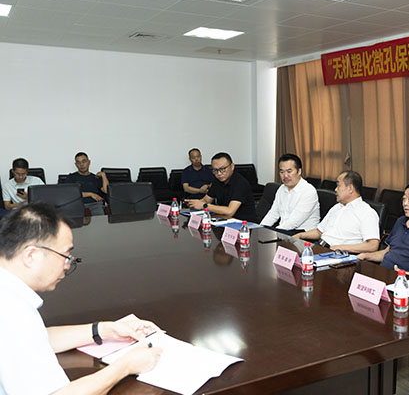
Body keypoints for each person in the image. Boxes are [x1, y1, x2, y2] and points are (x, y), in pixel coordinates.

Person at [0, 203, 162, 394]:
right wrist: (125, 366)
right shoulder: (13, 312)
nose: (68, 264)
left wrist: (106, 329)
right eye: (65, 255)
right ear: (31, 255)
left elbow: (37, 338)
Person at [294, 171, 379, 253]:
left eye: (338, 186)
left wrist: (340, 247)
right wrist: (300, 235)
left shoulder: (366, 212)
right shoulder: (337, 207)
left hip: (337, 254)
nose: (335, 189)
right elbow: (319, 232)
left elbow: (372, 245)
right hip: (320, 247)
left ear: (350, 188)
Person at [187, 152, 257, 222]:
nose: (219, 173)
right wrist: (193, 203)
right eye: (215, 170)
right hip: (223, 219)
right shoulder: (217, 181)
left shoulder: (240, 183)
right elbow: (206, 200)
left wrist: (204, 205)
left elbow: (230, 211)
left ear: (232, 166)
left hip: (243, 223)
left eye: (223, 169)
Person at [260, 154, 320, 235]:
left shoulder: (308, 191)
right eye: (282, 172)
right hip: (284, 230)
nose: (285, 176)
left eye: (289, 171)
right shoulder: (281, 189)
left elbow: (294, 221)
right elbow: (273, 213)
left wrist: (274, 232)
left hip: (303, 234)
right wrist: (260, 228)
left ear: (299, 171)